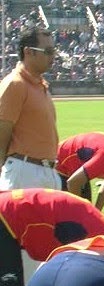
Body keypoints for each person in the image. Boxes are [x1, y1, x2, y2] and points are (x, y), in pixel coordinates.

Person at [0, 27, 59, 191]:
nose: (53, 56)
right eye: (47, 51)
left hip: (46, 171)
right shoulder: (15, 84)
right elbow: (2, 131)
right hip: (25, 172)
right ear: (28, 52)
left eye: (53, 50)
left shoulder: (40, 85)